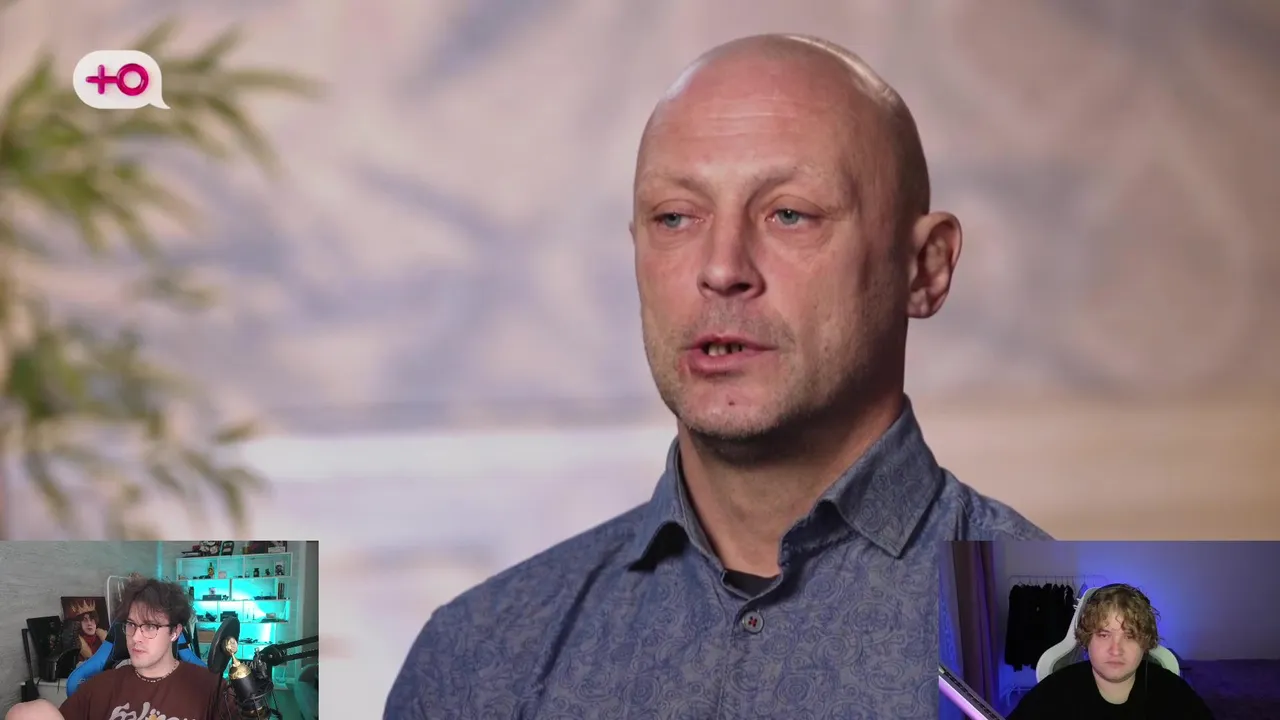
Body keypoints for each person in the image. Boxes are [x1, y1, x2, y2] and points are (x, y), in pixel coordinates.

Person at [385, 33, 1049, 719]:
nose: (722, 267)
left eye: (789, 214)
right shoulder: (478, 661)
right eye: (675, 217)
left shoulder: (1057, 639)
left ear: (925, 268)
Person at [5, 576, 232, 720]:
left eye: (150, 626)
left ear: (175, 632)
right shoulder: (99, 687)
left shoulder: (210, 687)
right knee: (25, 712)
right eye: (131, 625)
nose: (135, 637)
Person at [1009, 584, 1214, 719]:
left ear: (1145, 642)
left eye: (1130, 636)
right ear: (1087, 639)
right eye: (1104, 634)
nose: (1116, 650)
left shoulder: (1174, 694)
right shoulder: (1052, 693)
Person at [67, 599, 108, 663]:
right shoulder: (74, 646)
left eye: (92, 619)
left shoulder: (104, 638)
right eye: (85, 620)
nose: (89, 623)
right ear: (79, 623)